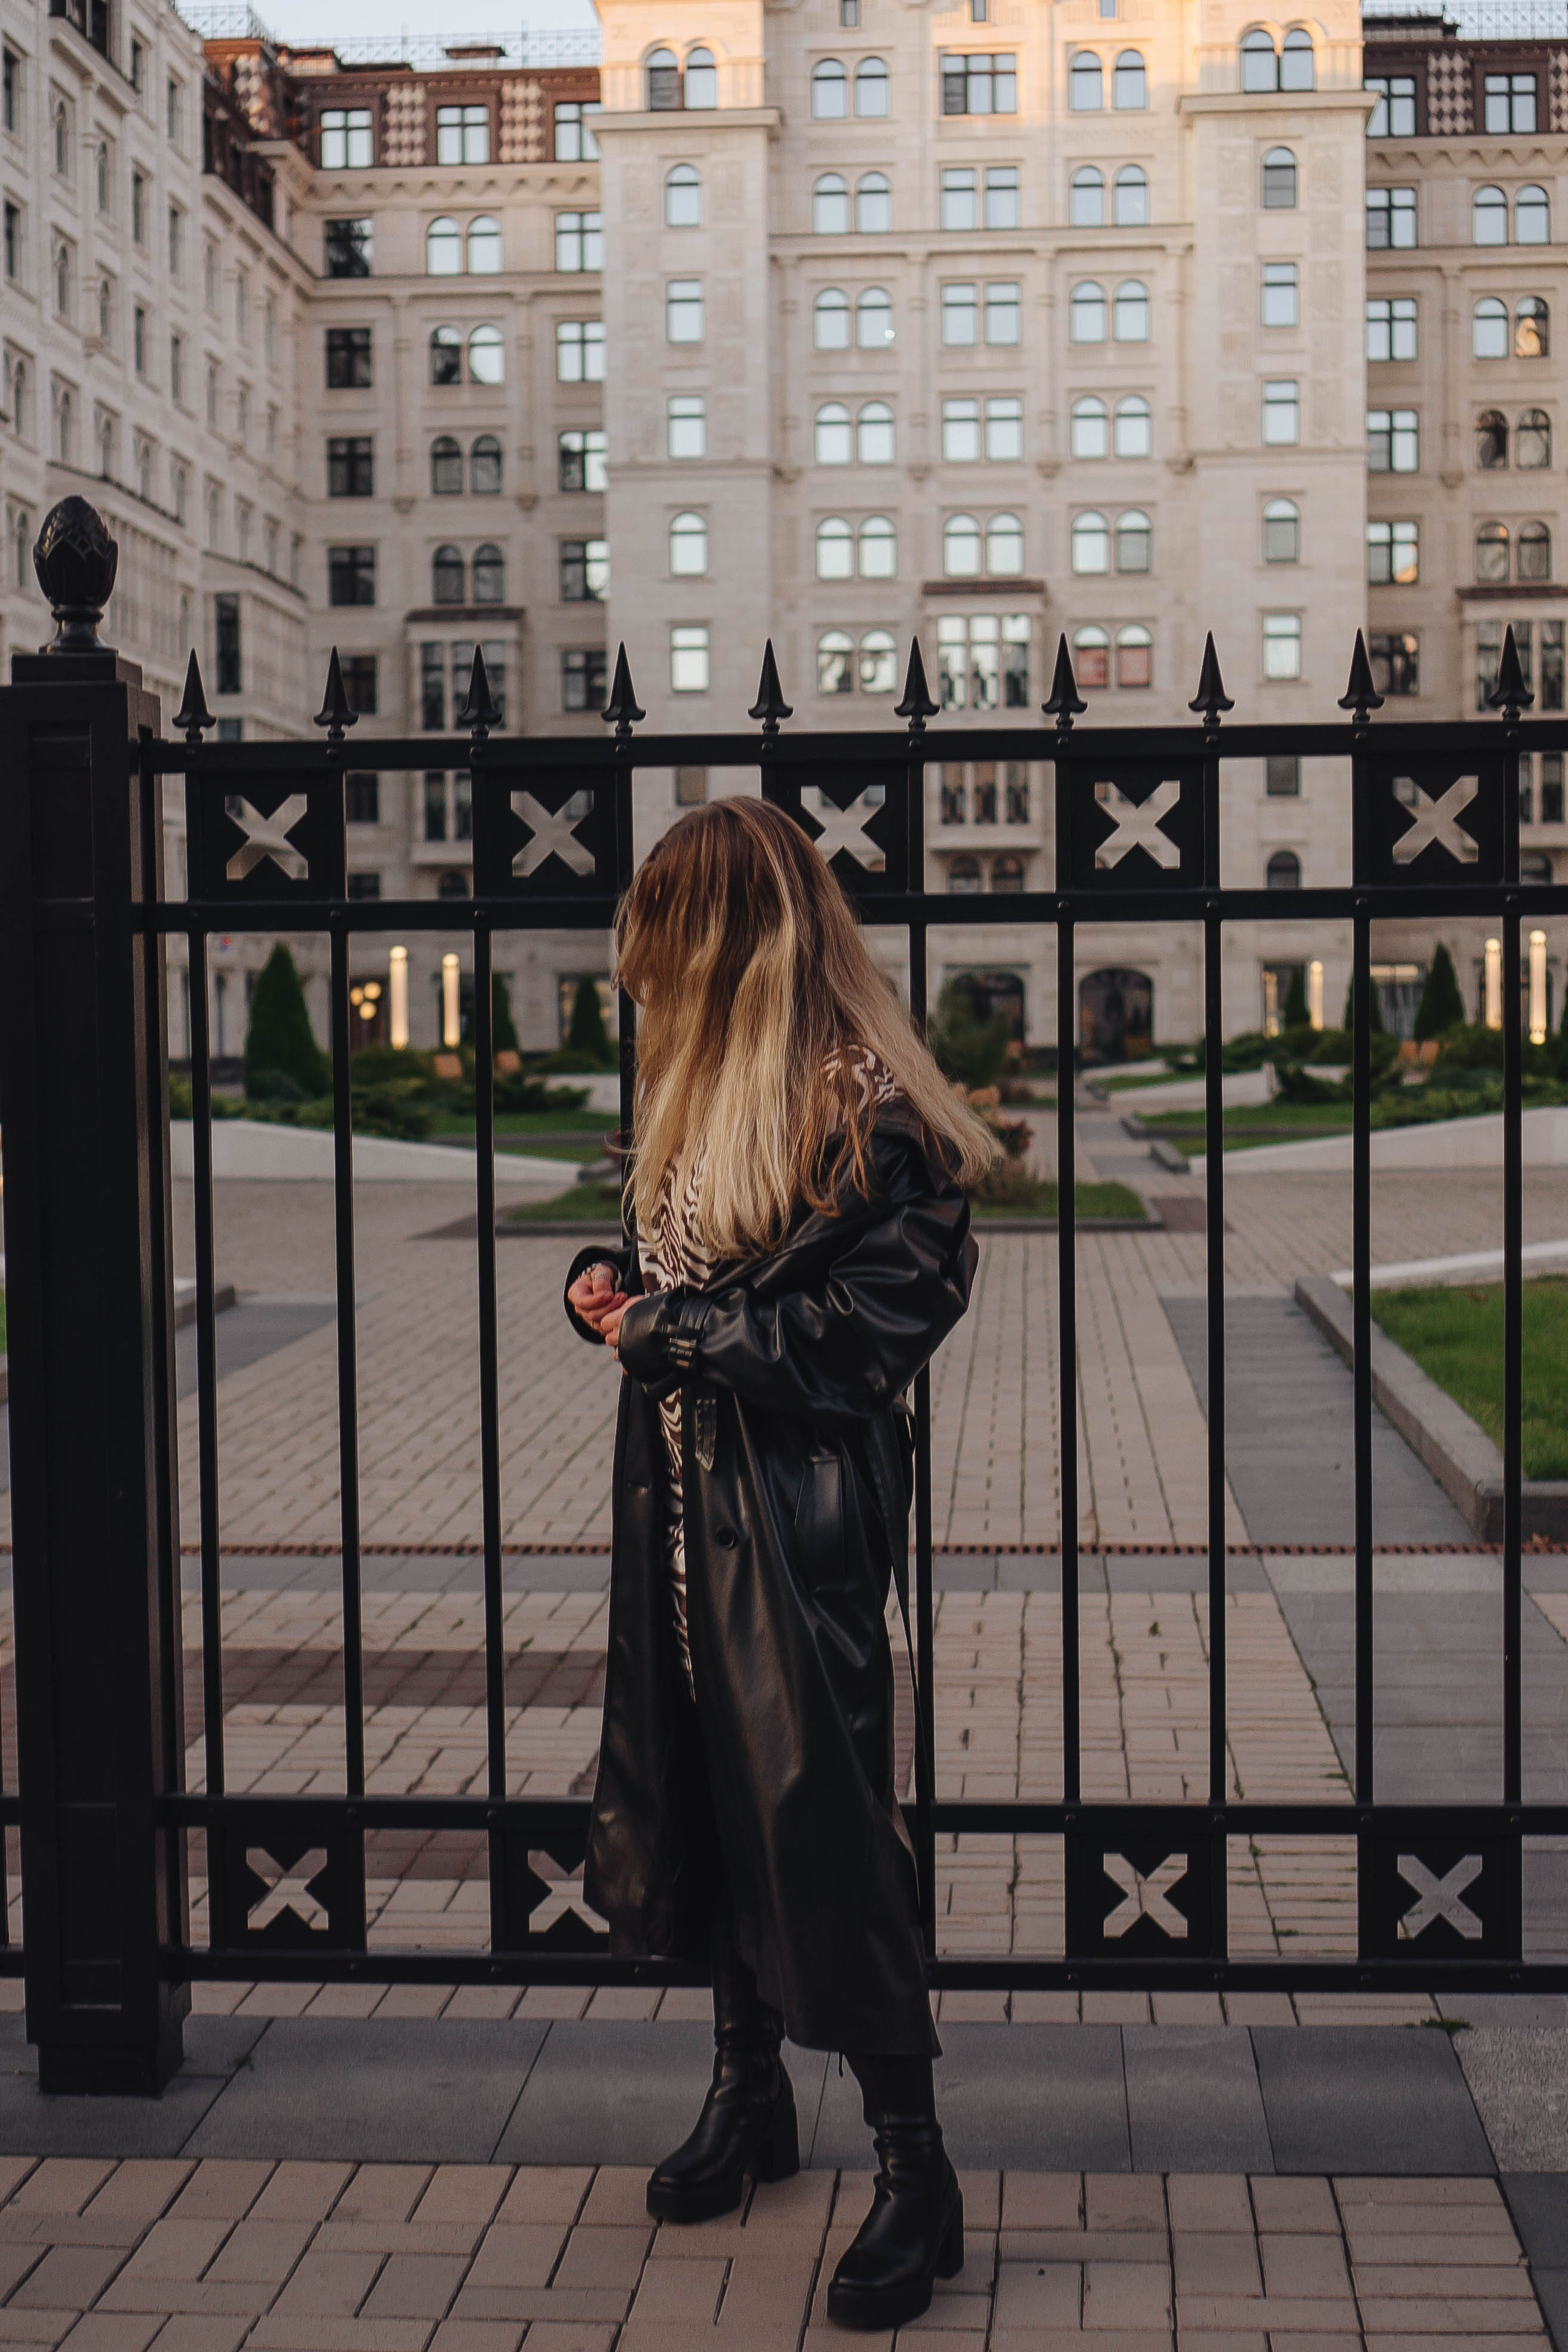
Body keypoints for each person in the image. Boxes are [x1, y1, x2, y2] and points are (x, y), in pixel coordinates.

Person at [564, 796, 994, 2333]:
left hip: (794, 1540)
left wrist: (663, 1331)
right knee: (710, 1800)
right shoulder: (710, 1092)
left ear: (731, 942)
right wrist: (607, 1288)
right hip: (682, 1523)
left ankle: (914, 2169)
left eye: (664, 938)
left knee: (827, 1839)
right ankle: (749, 2097)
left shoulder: (872, 1114)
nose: (643, 972)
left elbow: (856, 1340)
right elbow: (672, 1276)